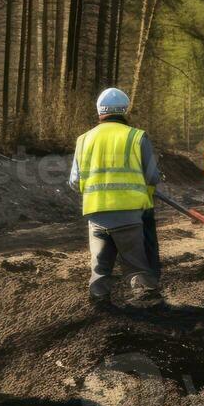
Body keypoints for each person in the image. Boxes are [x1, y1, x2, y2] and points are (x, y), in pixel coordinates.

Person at [69, 88, 162, 309]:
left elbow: (74, 182)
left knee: (100, 269)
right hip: (129, 215)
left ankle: (101, 310)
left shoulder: (83, 140)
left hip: (96, 216)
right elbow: (152, 177)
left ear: (99, 111)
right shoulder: (136, 136)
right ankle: (148, 308)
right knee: (137, 266)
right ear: (125, 110)